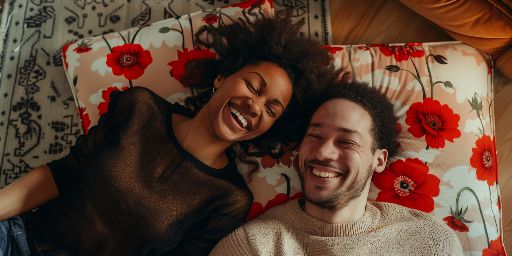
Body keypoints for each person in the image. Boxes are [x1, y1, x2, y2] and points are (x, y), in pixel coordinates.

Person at [0, 13, 333, 256]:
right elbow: (62, 174)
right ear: (222, 77)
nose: (255, 106)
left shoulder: (229, 199)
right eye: (252, 86)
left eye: (272, 110)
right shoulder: (140, 108)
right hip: (16, 239)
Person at [210, 81, 464, 256]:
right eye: (315, 136)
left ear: (380, 160)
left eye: (346, 142)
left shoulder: (428, 241)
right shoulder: (253, 247)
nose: (323, 153)